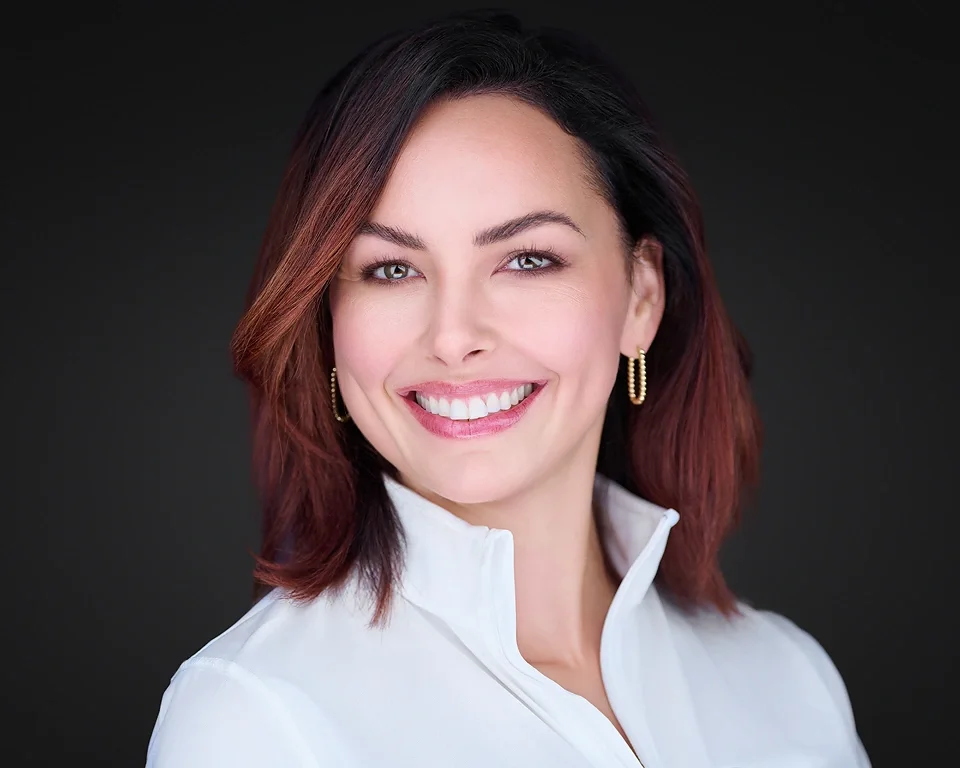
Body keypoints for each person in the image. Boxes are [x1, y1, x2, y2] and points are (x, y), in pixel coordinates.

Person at [146, 10, 870, 767]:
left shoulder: (787, 680)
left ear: (640, 299)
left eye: (526, 260)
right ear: (327, 321)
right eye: (391, 269)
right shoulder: (254, 720)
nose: (453, 336)